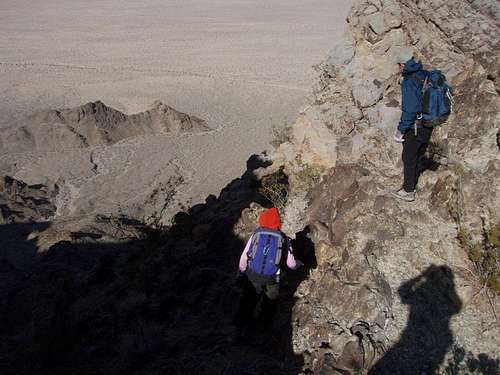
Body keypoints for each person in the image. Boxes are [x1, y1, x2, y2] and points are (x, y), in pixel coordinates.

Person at [235, 207, 302, 331]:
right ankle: (263, 327)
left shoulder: (256, 234)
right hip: (272, 277)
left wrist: (243, 270)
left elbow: (244, 257)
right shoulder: (283, 238)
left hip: (253, 274)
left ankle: (241, 324)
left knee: (248, 298)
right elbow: (291, 264)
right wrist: (299, 264)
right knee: (270, 303)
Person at [391, 51, 431, 202]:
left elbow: (410, 109)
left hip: (416, 125)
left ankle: (408, 191)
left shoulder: (409, 81)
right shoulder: (424, 74)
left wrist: (401, 130)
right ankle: (412, 184)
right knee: (418, 153)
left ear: (403, 65)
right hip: (428, 123)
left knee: (408, 157)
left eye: (399, 66)